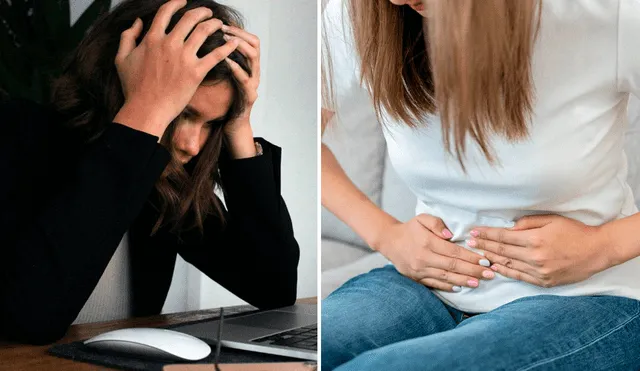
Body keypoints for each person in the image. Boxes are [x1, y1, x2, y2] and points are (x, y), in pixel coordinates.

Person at [321, 0, 640, 369]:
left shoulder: (606, 14)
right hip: (431, 286)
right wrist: (385, 235)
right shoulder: (363, 13)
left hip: (590, 297)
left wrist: (602, 246)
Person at [0, 0, 300, 345]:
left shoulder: (162, 183)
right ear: (121, 81)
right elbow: (30, 319)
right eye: (182, 112)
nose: (192, 146)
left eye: (211, 123)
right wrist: (147, 109)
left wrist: (239, 122)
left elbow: (273, 287)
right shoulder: (18, 136)